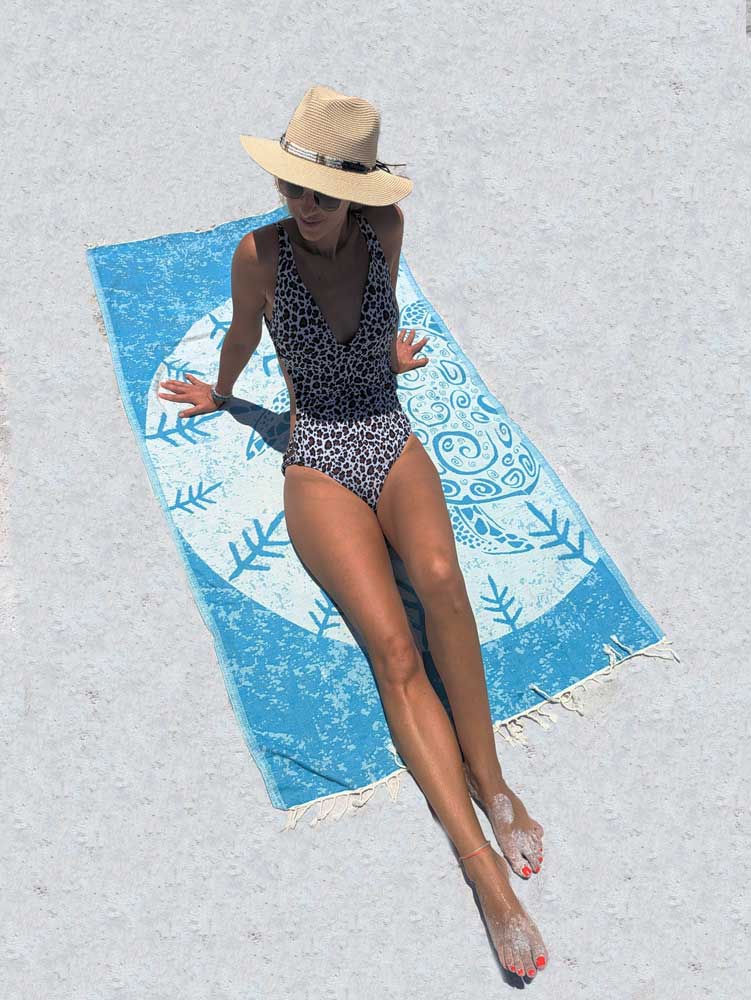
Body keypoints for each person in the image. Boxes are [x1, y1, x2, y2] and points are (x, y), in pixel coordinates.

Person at [158, 84, 548, 980]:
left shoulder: (386, 234)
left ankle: (492, 781)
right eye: (295, 187)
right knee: (391, 648)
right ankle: (480, 866)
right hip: (319, 453)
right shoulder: (257, 254)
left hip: (385, 422)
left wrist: (391, 357)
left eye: (326, 192)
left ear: (358, 197)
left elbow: (373, 322)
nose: (307, 206)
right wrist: (220, 394)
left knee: (443, 582)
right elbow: (245, 339)